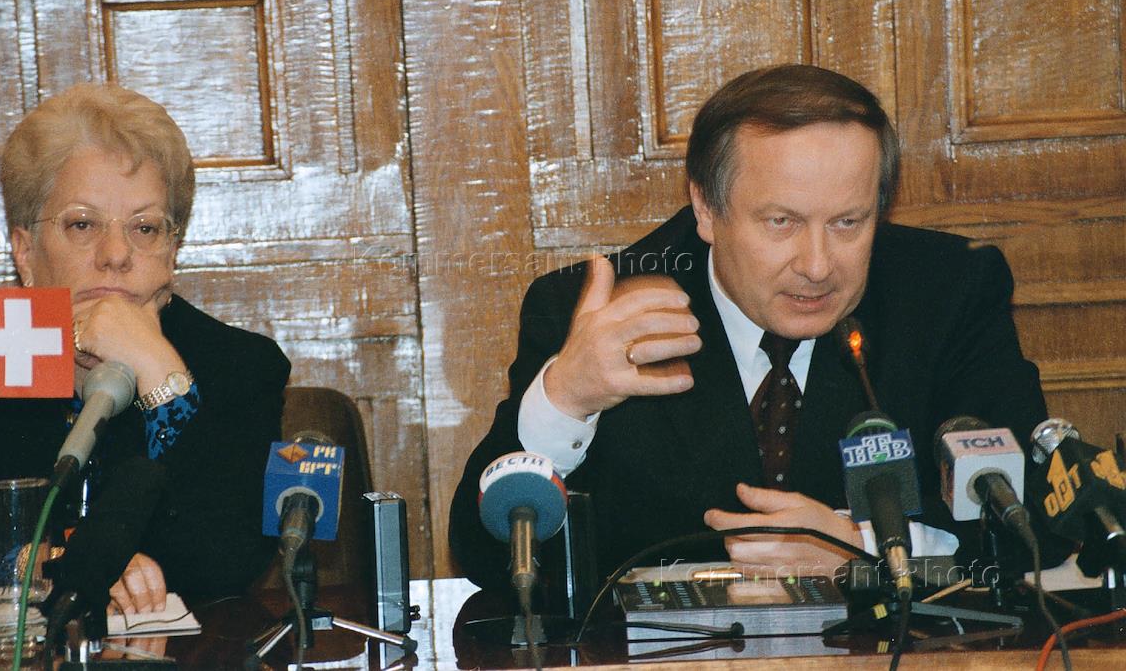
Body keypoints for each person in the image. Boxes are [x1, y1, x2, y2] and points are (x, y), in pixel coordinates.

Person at [450, 64, 1056, 591]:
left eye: (848, 222)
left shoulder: (946, 295)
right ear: (706, 209)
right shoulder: (594, 310)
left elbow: (1041, 529)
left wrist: (865, 551)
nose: (817, 266)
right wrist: (566, 399)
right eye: (781, 222)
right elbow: (484, 558)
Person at [0, 84, 290, 614]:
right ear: (25, 251)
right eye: (82, 224)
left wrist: (164, 379)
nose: (116, 254)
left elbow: (229, 562)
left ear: (172, 250)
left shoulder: (240, 367)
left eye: (145, 227)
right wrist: (45, 561)